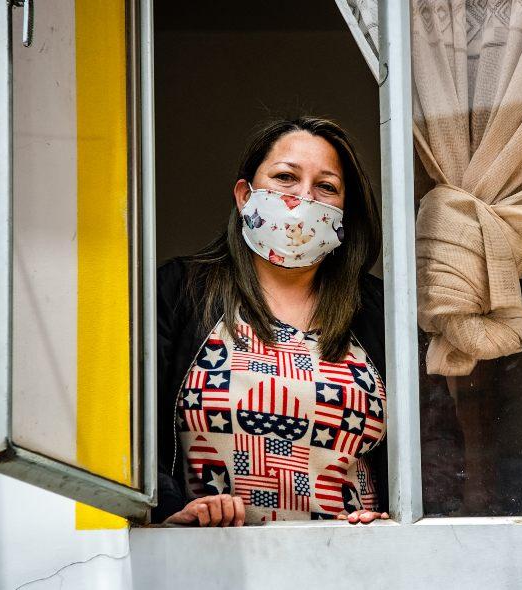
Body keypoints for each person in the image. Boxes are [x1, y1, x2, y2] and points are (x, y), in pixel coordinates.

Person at [154, 116, 389, 526]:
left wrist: (394, 518)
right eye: (285, 177)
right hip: (207, 561)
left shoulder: (381, 311)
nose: (302, 199)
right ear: (245, 195)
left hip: (352, 562)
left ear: (343, 214)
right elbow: (125, 436)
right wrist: (171, 512)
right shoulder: (179, 291)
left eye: (326, 187)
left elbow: (434, 447)